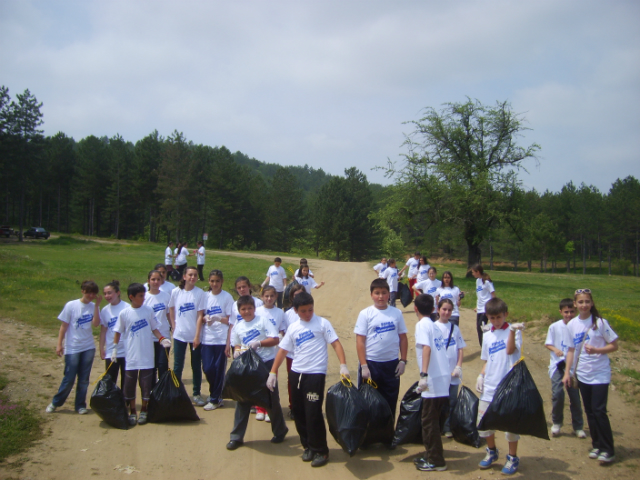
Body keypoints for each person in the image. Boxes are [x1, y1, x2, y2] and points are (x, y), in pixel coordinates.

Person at [267, 292, 350, 468]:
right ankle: (308, 446)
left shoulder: (322, 323)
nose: (307, 314)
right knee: (298, 412)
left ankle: (321, 450)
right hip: (297, 373)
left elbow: (336, 343)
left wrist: (343, 365)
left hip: (315, 374)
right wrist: (273, 372)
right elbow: (282, 351)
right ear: (295, 311)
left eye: (310, 310)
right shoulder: (294, 328)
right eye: (303, 311)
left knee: (313, 413)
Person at [562, 289, 619, 465]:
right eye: (580, 302)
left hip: (600, 373)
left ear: (591, 303)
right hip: (583, 374)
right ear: (575, 304)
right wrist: (567, 372)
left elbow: (614, 345)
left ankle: (608, 449)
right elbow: (571, 350)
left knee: (599, 410)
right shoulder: (571, 325)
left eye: (587, 301)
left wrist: (597, 350)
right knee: (590, 411)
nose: (584, 305)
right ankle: (597, 445)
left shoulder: (600, 323)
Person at [226, 295, 288, 450]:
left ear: (254, 308)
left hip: (264, 365)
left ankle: (280, 431)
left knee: (270, 399)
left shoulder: (262, 321)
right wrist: (237, 351)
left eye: (249, 308)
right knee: (243, 400)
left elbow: (275, 339)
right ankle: (236, 437)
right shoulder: (238, 327)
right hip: (247, 368)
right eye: (243, 309)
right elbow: (237, 345)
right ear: (239, 311)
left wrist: (259, 343)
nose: (247, 311)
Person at [475, 298, 525, 475]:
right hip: (490, 385)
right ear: (487, 317)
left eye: (499, 317)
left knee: (510, 425)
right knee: (484, 422)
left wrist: (511, 331)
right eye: (492, 317)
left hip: (509, 385)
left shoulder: (514, 331)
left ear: (506, 314)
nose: (496, 321)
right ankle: (491, 451)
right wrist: (481, 374)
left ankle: (512, 457)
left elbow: (510, 351)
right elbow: (488, 359)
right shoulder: (487, 335)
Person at [112, 283, 171, 425]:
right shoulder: (124, 313)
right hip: (132, 355)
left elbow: (155, 328)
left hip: (147, 354)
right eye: (140, 296)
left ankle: (144, 410)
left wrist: (162, 339)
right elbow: (118, 332)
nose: (143, 298)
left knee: (146, 384)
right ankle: (132, 411)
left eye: (144, 295)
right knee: (129, 384)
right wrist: (114, 349)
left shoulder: (148, 311)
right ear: (131, 297)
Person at [354, 278, 408, 419]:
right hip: (372, 364)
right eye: (377, 293)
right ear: (371, 295)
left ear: (389, 294)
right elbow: (360, 341)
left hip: (391, 365)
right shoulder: (365, 314)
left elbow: (403, 338)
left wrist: (403, 361)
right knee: (368, 402)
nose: (380, 297)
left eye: (384, 293)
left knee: (390, 400)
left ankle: (387, 434)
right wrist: (364, 366)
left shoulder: (396, 313)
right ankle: (369, 436)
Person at [46, 281, 101, 415]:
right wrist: (59, 344)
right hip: (73, 347)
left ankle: (80, 405)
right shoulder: (71, 305)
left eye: (93, 293)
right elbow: (63, 326)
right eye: (88, 292)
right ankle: (56, 402)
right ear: (82, 291)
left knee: (83, 379)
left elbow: (96, 324)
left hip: (88, 346)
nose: (91, 295)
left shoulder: (94, 306)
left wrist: (97, 306)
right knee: (69, 378)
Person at [412, 293, 451, 472]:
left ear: (415, 309)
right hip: (444, 377)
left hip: (434, 379)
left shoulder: (422, 325)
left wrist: (424, 375)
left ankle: (436, 460)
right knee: (434, 419)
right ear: (434, 309)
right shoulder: (435, 326)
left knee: (429, 421)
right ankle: (431, 454)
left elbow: (426, 348)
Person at [193, 269, 234, 411]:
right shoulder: (204, 296)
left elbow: (230, 320)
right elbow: (200, 316)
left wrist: (218, 318)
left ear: (221, 281)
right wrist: (205, 319)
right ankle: (216, 392)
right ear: (209, 282)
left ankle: (215, 398)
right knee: (208, 368)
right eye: (212, 281)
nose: (215, 283)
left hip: (221, 339)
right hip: (207, 339)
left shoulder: (227, 297)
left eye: (217, 281)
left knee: (218, 369)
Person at [545, 298, 586, 439]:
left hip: (573, 366)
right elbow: (548, 343)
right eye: (566, 312)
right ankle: (556, 422)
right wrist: (555, 349)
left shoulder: (578, 326)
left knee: (574, 396)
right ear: (561, 312)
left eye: (571, 312)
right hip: (557, 364)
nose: (569, 314)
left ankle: (578, 426)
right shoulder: (554, 327)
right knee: (557, 393)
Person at [168, 266, 207, 406]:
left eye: (195, 275)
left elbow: (200, 315)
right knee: (178, 366)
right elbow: (171, 308)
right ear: (184, 276)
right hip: (179, 335)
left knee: (196, 365)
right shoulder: (176, 292)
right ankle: (176, 392)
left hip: (195, 336)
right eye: (190, 275)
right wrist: (173, 325)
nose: (193, 277)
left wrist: (197, 336)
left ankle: (196, 393)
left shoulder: (200, 293)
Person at [434, 298, 466, 439]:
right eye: (444, 309)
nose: (446, 312)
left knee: (451, 401)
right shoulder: (433, 327)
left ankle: (447, 427)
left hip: (452, 374)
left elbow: (460, 348)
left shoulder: (455, 328)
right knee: (437, 402)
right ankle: (436, 427)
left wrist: (458, 366)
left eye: (449, 310)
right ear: (438, 310)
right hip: (438, 374)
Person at [255, 285, 286, 421]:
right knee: (259, 380)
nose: (269, 299)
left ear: (276, 297)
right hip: (259, 351)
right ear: (262, 297)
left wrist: (280, 335)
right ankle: (259, 408)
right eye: (266, 296)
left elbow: (282, 329)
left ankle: (269, 408)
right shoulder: (257, 311)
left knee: (271, 379)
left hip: (273, 352)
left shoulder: (280, 312)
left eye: (271, 296)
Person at [144, 270, 173, 387]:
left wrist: (173, 327)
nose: (155, 282)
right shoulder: (145, 297)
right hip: (149, 337)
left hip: (164, 335)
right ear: (148, 281)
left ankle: (162, 389)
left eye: (158, 279)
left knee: (162, 364)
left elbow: (168, 314)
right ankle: (151, 390)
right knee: (151, 365)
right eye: (153, 279)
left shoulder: (166, 296)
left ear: (161, 281)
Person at [98, 280, 129, 390]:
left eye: (110, 293)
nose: (107, 296)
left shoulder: (127, 307)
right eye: (105, 293)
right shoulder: (105, 310)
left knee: (127, 380)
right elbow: (103, 330)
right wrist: (101, 347)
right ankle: (112, 404)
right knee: (110, 380)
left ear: (118, 293)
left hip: (126, 350)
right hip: (112, 351)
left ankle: (126, 403)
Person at [281, 283, 305, 418]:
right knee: (292, 381)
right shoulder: (287, 314)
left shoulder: (308, 312)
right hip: (291, 354)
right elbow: (284, 333)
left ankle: (304, 406)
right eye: (296, 295)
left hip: (306, 354)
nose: (299, 298)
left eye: (301, 295)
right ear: (291, 297)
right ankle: (293, 406)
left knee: (306, 381)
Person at [471, 264, 495, 346]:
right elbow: (480, 295)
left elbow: (493, 294)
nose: (472, 274)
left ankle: (491, 335)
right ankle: (483, 346)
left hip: (486, 308)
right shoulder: (477, 281)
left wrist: (493, 306)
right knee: (479, 327)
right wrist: (477, 306)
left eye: (473, 272)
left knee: (482, 325)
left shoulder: (487, 282)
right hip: (480, 308)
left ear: (478, 272)